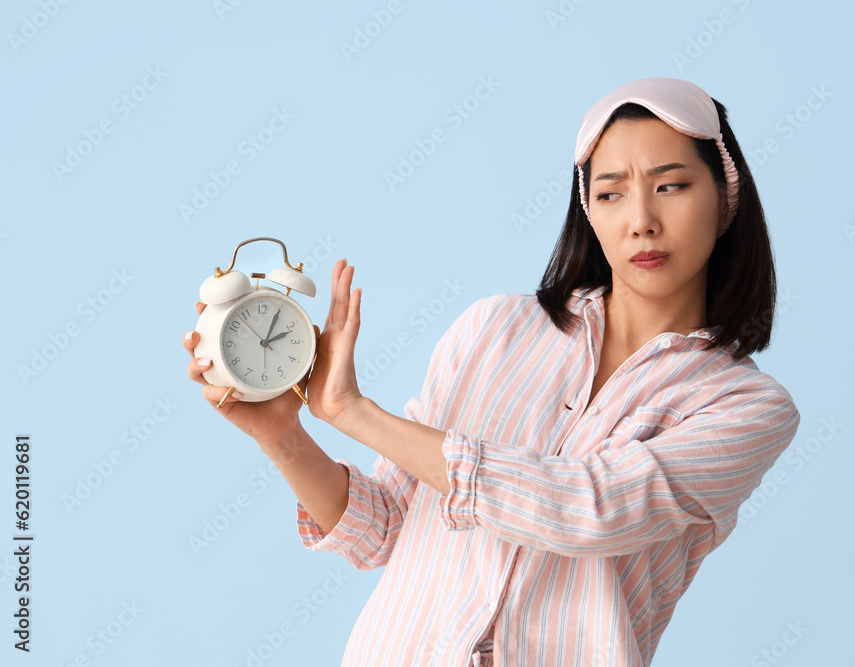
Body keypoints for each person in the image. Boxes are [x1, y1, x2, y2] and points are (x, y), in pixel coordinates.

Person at [182, 77, 801, 667]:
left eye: (670, 186)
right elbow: (385, 526)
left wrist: (352, 411)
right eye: (611, 192)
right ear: (589, 209)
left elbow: (590, 507)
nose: (640, 218)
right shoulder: (494, 329)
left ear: (727, 196)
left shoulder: (744, 407)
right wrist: (281, 436)